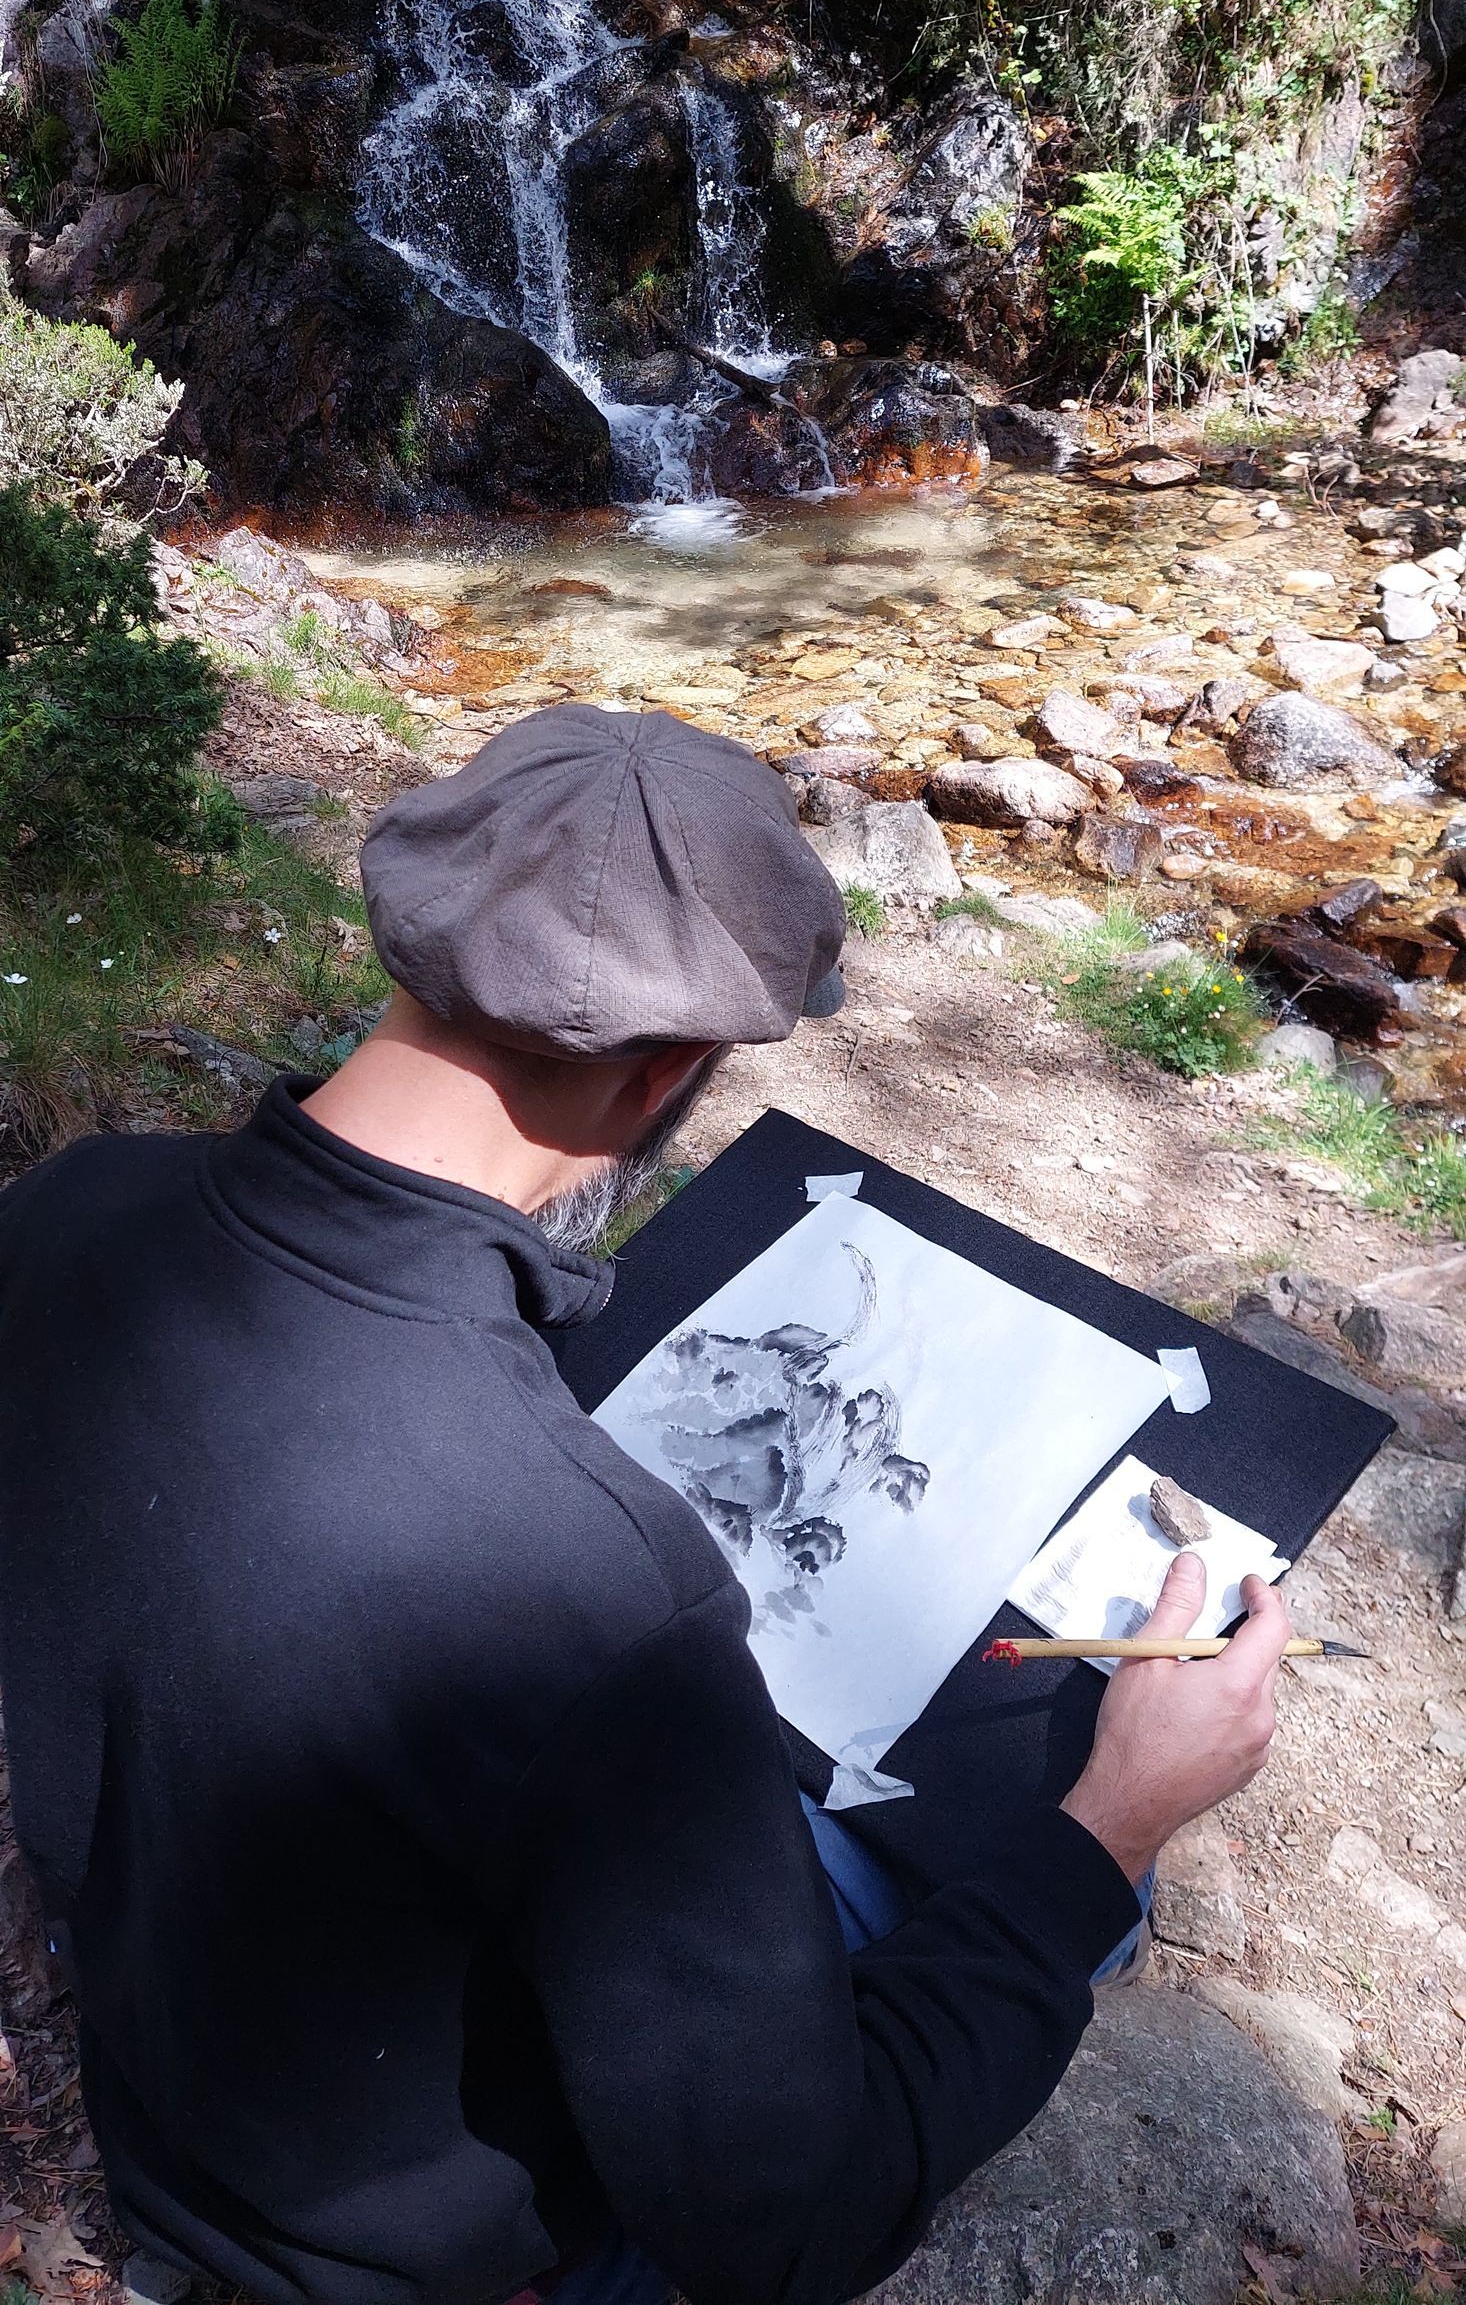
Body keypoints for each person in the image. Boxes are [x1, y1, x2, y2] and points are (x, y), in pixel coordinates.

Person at [0, 708, 1291, 2305]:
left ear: (408, 938)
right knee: (1063, 1863)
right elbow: (787, 2229)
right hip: (443, 2252)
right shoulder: (598, 1601)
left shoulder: (74, 1209)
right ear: (676, 1068)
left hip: (185, 2073)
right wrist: (1116, 1827)